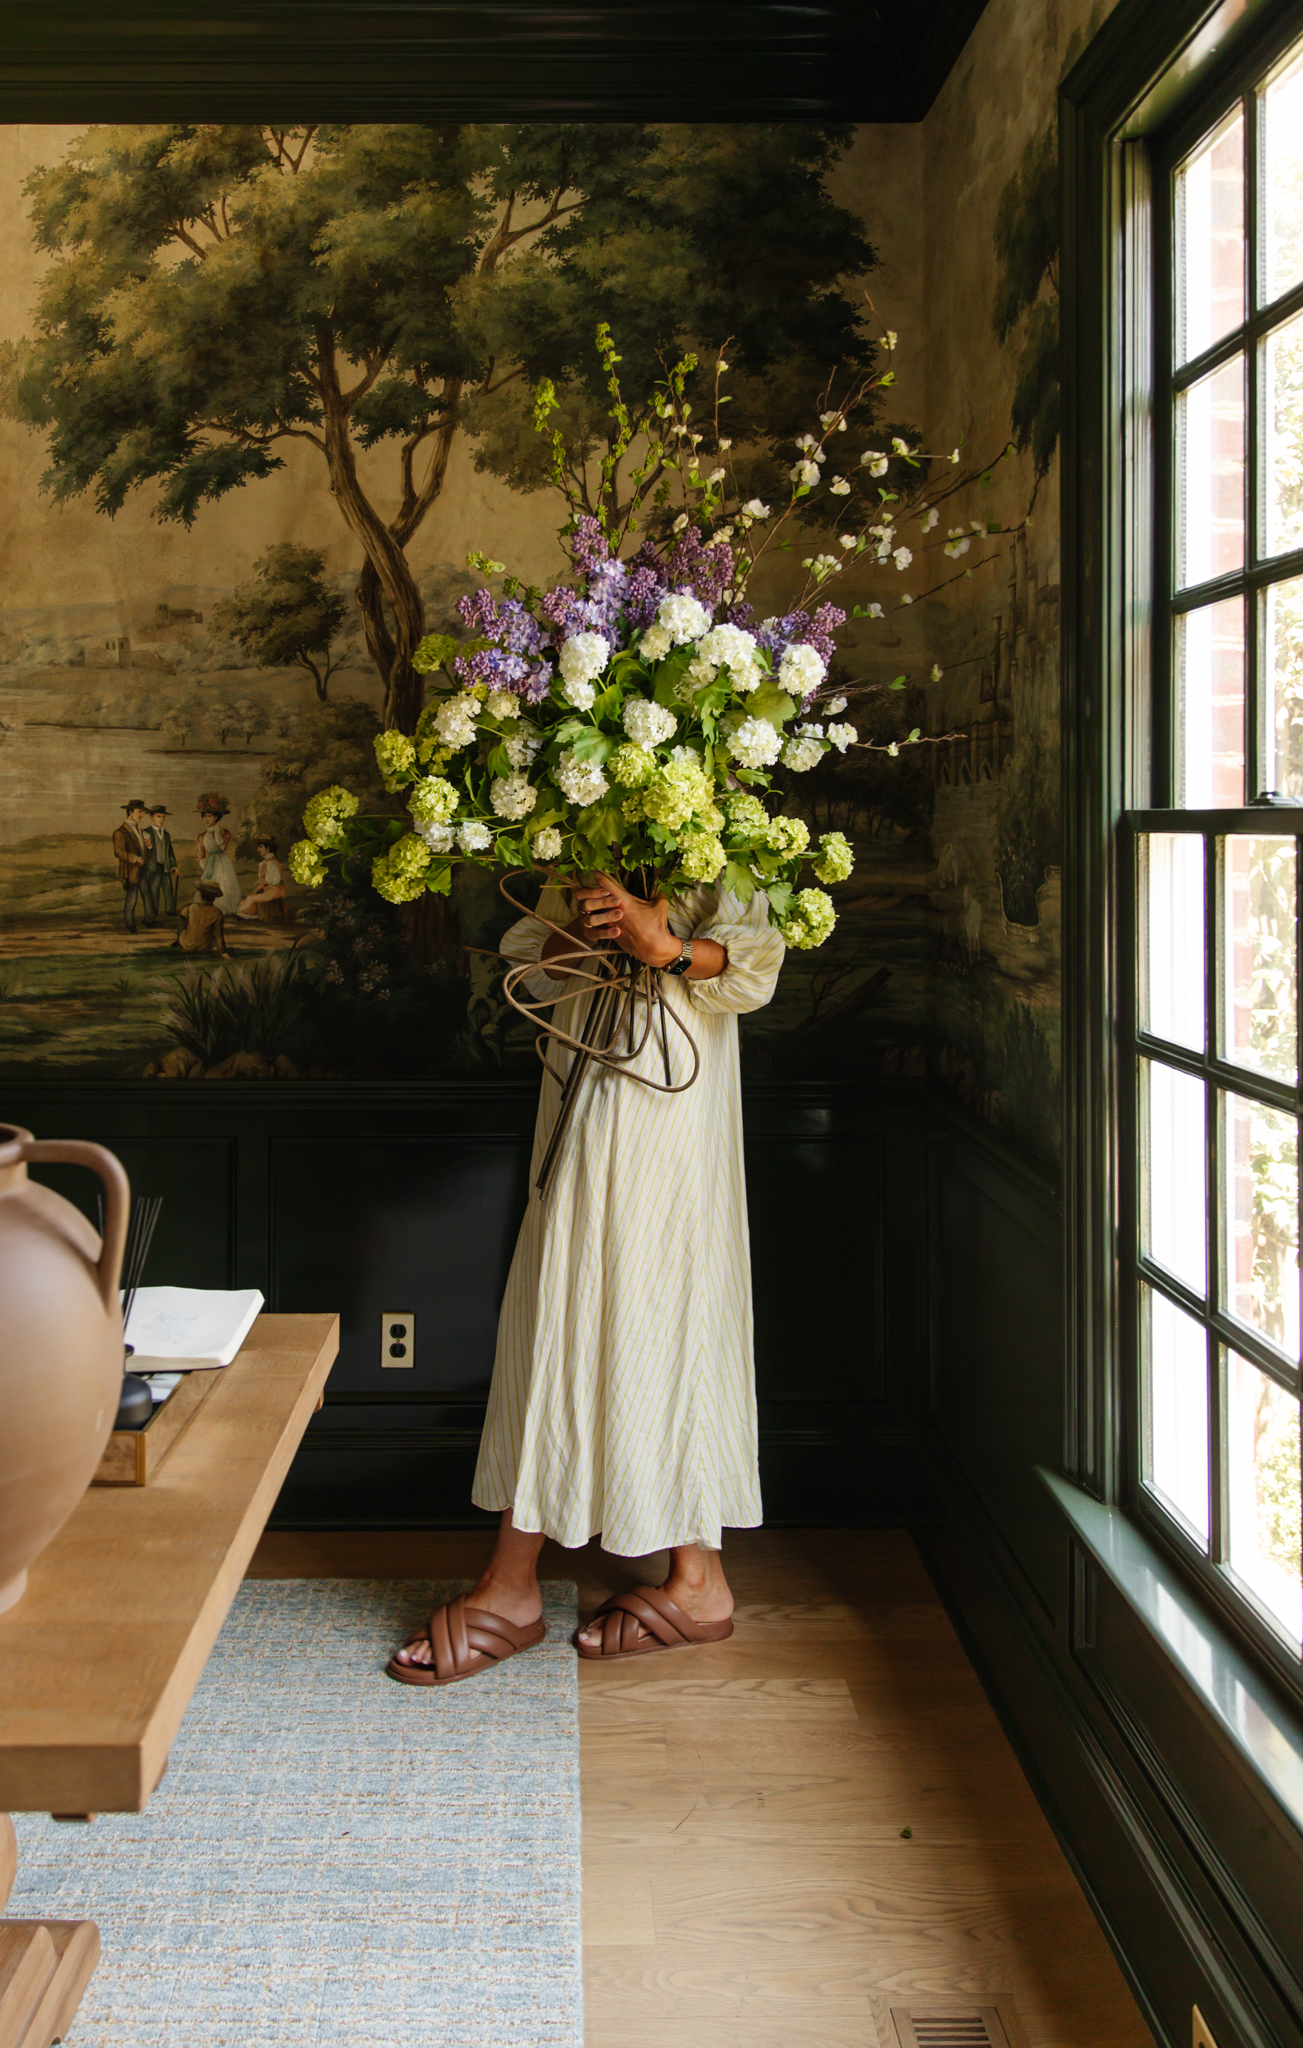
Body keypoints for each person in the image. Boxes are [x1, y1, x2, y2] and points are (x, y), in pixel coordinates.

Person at [388, 868, 784, 1687]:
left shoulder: (729, 825)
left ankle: (679, 1578)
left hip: (679, 1104)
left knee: (677, 1299)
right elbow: (532, 967)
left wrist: (664, 947)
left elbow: (754, 968)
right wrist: (600, 921)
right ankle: (529, 1578)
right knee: (559, 1298)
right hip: (581, 1078)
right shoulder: (577, 837)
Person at [111, 799, 153, 933]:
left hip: (142, 870)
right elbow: (119, 852)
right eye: (139, 812)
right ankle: (130, 924)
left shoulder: (140, 831)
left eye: (142, 812)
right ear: (130, 812)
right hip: (131, 871)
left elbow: (146, 853)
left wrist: (149, 847)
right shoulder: (120, 832)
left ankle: (150, 921)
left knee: (147, 895)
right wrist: (135, 859)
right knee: (132, 898)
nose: (141, 815)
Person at [195, 795, 240, 913]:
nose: (207, 819)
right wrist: (205, 867)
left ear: (216, 817)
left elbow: (222, 847)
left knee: (223, 884)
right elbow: (200, 855)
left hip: (222, 862)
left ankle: (222, 908)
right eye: (205, 816)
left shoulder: (224, 832)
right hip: (210, 862)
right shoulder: (201, 836)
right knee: (207, 884)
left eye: (210, 816)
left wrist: (216, 832)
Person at [172, 879, 232, 957]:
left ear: (200, 895)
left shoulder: (191, 908)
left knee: (182, 920)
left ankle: (180, 943)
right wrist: (223, 953)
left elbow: (179, 913)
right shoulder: (217, 912)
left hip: (186, 946)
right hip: (205, 947)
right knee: (212, 935)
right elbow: (219, 936)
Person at [236, 836, 288, 922]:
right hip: (269, 889)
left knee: (251, 899)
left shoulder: (271, 863)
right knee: (250, 898)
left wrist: (263, 882)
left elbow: (274, 881)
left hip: (274, 891)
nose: (258, 849)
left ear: (268, 848)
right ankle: (247, 912)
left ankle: (248, 914)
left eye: (261, 847)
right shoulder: (266, 862)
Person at [149, 806, 180, 918]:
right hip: (153, 866)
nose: (161, 820)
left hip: (165, 866)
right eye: (158, 817)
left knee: (168, 889)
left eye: (163, 817)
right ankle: (152, 913)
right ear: (152, 817)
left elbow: (170, 852)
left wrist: (174, 866)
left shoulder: (166, 834)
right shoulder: (146, 832)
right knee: (154, 890)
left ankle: (170, 910)